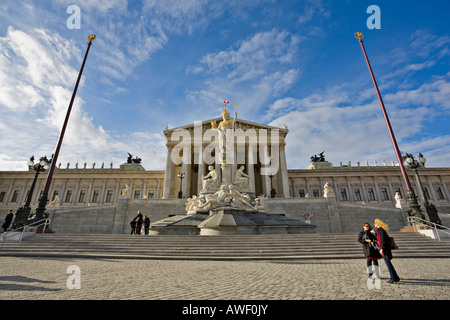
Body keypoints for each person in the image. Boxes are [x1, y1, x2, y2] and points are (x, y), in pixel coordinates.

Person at [374, 219, 400, 283]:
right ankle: (395, 277)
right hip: (385, 249)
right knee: (389, 263)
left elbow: (383, 240)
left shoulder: (381, 230)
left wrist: (382, 249)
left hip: (385, 250)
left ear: (378, 224)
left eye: (375, 223)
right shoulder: (380, 230)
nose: (374, 224)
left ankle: (393, 278)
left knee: (388, 264)